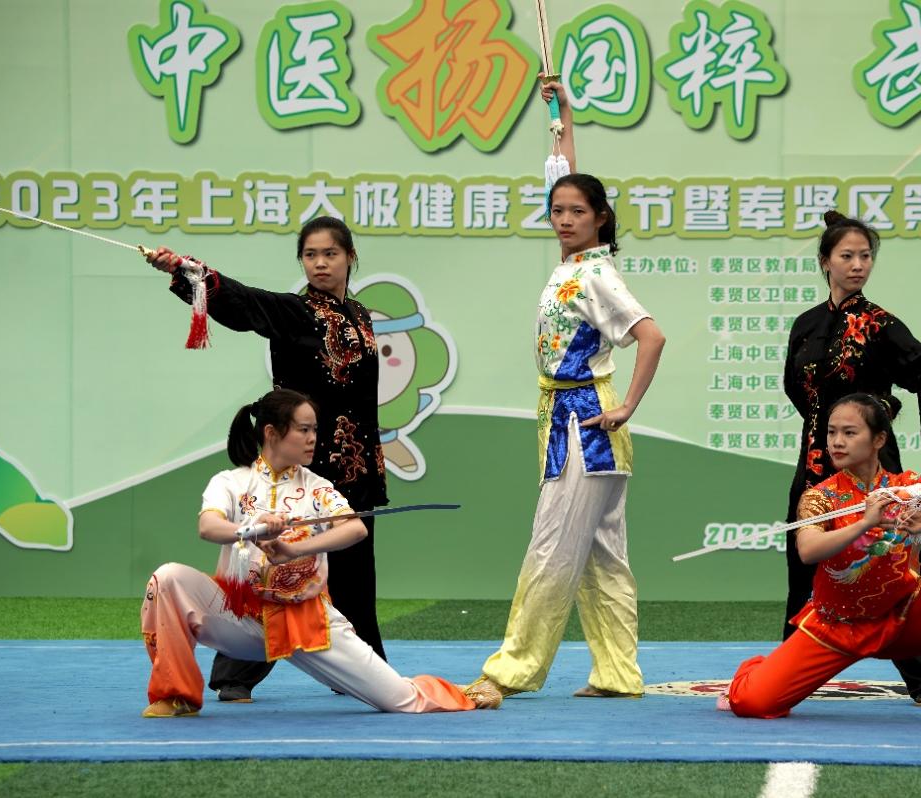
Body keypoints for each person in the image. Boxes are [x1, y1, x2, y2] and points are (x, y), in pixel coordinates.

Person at [462, 78, 665, 708]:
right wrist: (562, 115)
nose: (566, 219)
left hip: (587, 427)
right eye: (558, 211)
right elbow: (563, 171)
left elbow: (652, 336)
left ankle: (508, 672)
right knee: (603, 558)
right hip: (569, 419)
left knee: (551, 547)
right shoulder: (573, 266)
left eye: (578, 211)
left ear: (600, 217)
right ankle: (618, 673)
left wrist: (626, 406)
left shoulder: (597, 274)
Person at [145, 217, 389, 703]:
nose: (320, 263)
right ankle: (235, 675)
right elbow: (245, 303)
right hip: (300, 470)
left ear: (350, 257)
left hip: (353, 466)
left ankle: (364, 669)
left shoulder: (360, 316)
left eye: (330, 254)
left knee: (356, 573)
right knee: (272, 569)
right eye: (310, 255)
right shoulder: (295, 311)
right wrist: (189, 273)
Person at [140, 389, 483, 717]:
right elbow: (208, 526)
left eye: (314, 430)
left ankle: (466, 694)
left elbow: (355, 528)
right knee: (167, 579)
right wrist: (253, 529)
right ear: (272, 433)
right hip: (238, 615)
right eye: (303, 430)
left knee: (401, 700)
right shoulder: (230, 482)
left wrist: (293, 550)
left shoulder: (317, 487)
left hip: (303, 620)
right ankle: (176, 696)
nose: (313, 438)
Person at [782, 210, 921, 704]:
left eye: (865, 256)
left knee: (896, 561)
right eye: (847, 256)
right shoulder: (805, 324)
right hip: (817, 462)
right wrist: (832, 435)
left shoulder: (881, 324)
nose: (858, 265)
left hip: (873, 468)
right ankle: (792, 671)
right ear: (826, 261)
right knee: (803, 563)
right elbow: (794, 388)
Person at [724, 393, 921, 725]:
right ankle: (752, 673)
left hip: (903, 618)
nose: (837, 442)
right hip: (837, 626)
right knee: (752, 702)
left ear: (878, 440)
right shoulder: (820, 496)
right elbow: (808, 550)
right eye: (831, 432)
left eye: (849, 433)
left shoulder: (906, 487)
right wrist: (864, 523)